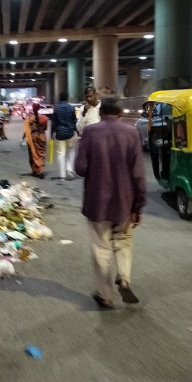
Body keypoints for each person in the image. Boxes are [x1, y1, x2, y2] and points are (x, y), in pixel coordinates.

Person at [73, 97, 144, 309]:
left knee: (101, 247)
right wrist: (138, 206)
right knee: (124, 241)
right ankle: (123, 278)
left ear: (101, 112)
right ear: (121, 113)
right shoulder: (132, 133)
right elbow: (138, 174)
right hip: (125, 201)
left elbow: (80, 168)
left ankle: (105, 295)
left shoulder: (90, 132)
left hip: (97, 202)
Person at [50, 92, 79, 179]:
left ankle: (62, 175)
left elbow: (54, 122)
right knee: (71, 151)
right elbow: (74, 121)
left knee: (60, 154)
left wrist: (52, 134)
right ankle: (69, 170)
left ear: (59, 98)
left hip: (60, 134)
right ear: (67, 98)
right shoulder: (71, 108)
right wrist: (76, 130)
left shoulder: (56, 108)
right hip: (70, 133)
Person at [22, 102, 49, 177]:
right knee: (41, 152)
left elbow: (26, 131)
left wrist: (22, 138)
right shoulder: (44, 118)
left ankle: (36, 170)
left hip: (33, 137)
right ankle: (41, 169)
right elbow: (45, 128)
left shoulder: (29, 118)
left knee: (33, 153)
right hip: (42, 136)